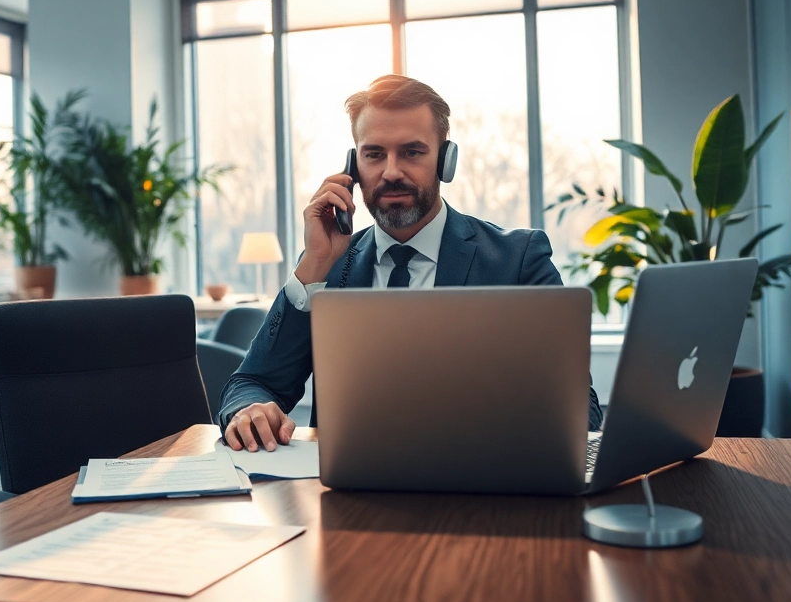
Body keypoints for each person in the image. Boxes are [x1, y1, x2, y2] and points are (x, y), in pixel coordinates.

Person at [220, 74, 604, 452]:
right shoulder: (327, 264)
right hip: (349, 492)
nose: (391, 172)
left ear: (445, 160)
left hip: (479, 488)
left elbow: (579, 408)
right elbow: (253, 383)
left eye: (412, 152)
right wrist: (248, 411)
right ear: (354, 165)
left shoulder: (517, 259)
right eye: (374, 154)